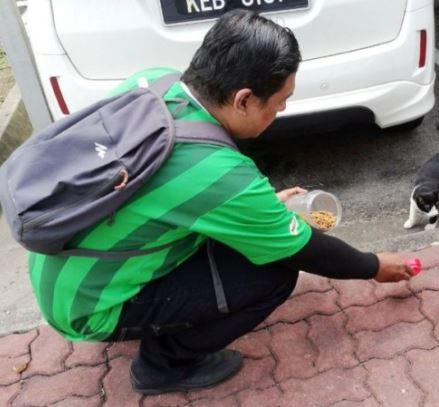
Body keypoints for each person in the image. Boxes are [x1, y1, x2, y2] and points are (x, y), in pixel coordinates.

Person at [27, 9, 413, 395]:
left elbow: (165, 193)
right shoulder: (219, 173)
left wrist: (259, 206)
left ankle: (148, 315)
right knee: (275, 273)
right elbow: (305, 248)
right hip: (86, 307)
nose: (281, 111)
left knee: (235, 240)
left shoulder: (153, 83)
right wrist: (374, 266)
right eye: (280, 101)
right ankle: (163, 365)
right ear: (243, 99)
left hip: (59, 263)